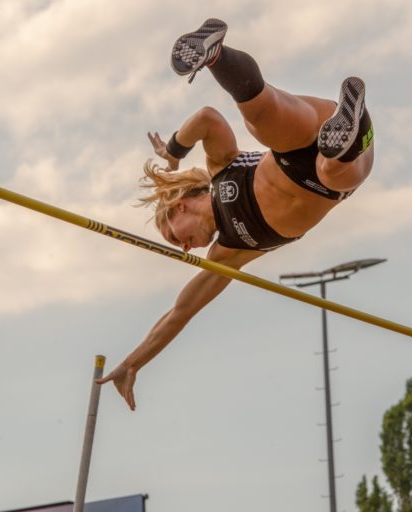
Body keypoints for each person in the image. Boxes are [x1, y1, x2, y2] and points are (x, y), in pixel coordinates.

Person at [99, 18, 375, 410]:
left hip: (303, 135)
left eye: (175, 237)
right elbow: (179, 313)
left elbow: (207, 118)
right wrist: (132, 363)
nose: (185, 248)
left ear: (179, 206)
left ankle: (214, 54)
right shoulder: (228, 254)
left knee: (262, 121)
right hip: (338, 170)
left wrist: (174, 151)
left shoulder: (221, 168)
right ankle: (349, 135)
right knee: (331, 170)